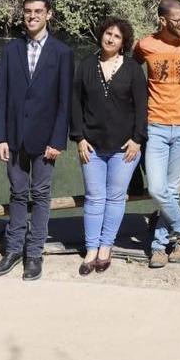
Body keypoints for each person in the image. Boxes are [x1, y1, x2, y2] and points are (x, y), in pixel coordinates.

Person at [0, 0, 73, 281]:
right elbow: (0, 97)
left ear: (49, 14)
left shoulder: (63, 53)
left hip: (45, 140)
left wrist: (58, 140)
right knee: (16, 193)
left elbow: (65, 102)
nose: (32, 16)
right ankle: (13, 250)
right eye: (28, 11)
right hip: (13, 137)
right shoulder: (11, 50)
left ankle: (34, 254)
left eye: (38, 11)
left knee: (40, 195)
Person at [133, 0, 180, 268]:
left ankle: (159, 248)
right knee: (156, 188)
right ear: (162, 21)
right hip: (155, 125)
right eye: (178, 21)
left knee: (171, 190)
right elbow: (131, 73)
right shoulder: (145, 45)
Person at [70, 17, 147, 275]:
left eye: (117, 36)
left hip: (124, 148)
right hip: (90, 145)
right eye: (107, 33)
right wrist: (79, 137)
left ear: (123, 42)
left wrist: (137, 139)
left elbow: (141, 107)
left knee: (114, 198)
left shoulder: (133, 68)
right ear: (101, 35)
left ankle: (106, 247)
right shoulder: (86, 65)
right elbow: (75, 104)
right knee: (93, 197)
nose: (110, 39)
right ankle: (91, 249)